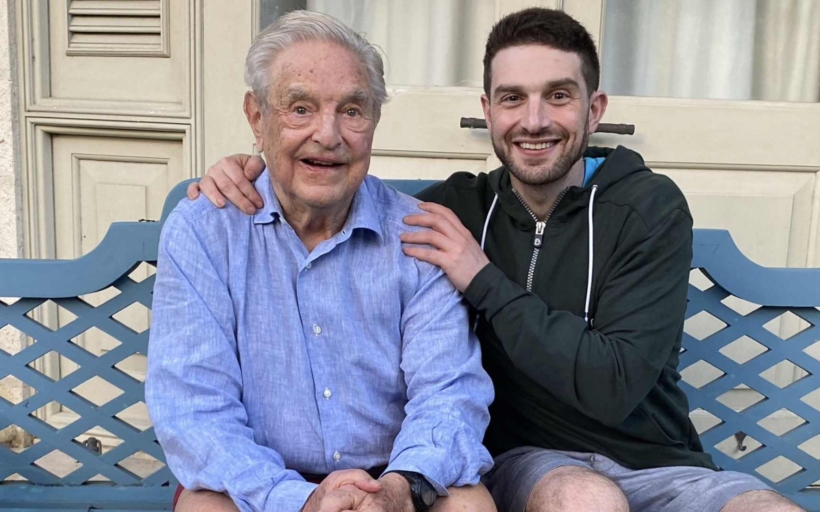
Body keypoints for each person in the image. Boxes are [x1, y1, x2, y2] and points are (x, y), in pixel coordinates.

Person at [189, 7, 805, 512]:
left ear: (594, 109)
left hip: (659, 463)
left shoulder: (648, 208)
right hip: (533, 464)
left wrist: (481, 278)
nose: (533, 121)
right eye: (513, 98)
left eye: (558, 96)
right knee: (587, 500)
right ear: (488, 111)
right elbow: (334, 182)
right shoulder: (454, 209)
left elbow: (612, 386)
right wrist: (251, 166)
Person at [146, 10, 498, 512]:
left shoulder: (420, 233)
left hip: (391, 476)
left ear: (373, 122)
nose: (328, 134)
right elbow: (195, 409)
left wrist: (399, 488)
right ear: (256, 118)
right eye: (300, 108)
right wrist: (300, 500)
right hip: (256, 481)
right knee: (205, 507)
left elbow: (448, 393)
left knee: (468, 504)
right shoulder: (205, 230)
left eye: (352, 110)